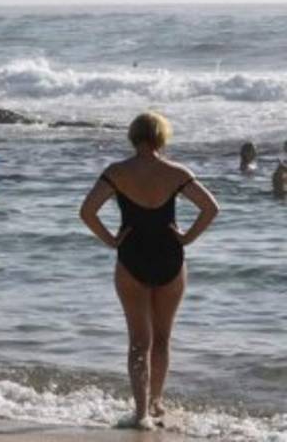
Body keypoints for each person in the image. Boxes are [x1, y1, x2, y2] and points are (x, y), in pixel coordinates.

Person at [78, 112, 220, 430]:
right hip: (171, 258)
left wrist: (112, 241)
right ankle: (156, 403)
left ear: (133, 136)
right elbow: (211, 208)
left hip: (131, 259)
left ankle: (140, 412)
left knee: (138, 342)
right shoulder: (176, 172)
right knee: (163, 338)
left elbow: (87, 212)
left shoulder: (116, 172)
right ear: (161, 137)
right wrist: (187, 237)